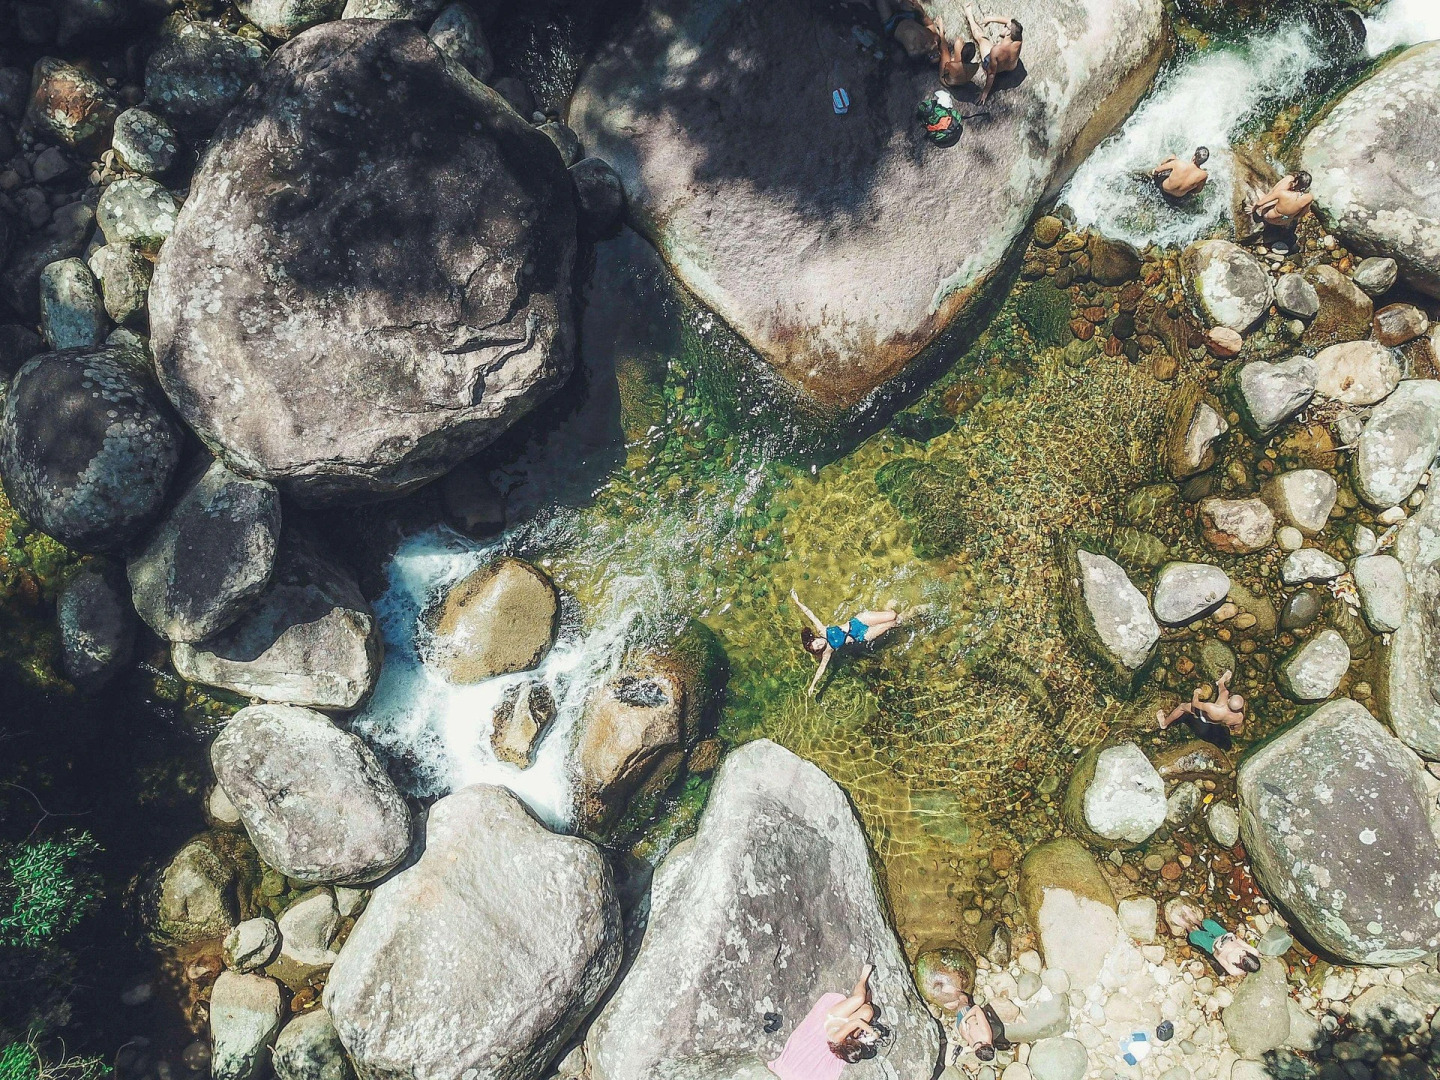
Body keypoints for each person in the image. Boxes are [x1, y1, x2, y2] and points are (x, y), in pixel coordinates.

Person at [768, 964, 887, 1078]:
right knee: (868, 1012)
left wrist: (873, 1032)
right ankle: (865, 1003)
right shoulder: (845, 1042)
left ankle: (863, 978)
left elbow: (856, 1022)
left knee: (859, 999)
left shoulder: (837, 1038)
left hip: (836, 1017)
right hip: (845, 1024)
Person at [792, 589, 907, 696]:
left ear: (815, 638)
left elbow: (811, 615)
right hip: (863, 635)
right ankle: (912, 612)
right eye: (818, 647)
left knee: (892, 615)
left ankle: (887, 608)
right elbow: (821, 669)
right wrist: (813, 685)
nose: (819, 644)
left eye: (816, 642)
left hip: (859, 621)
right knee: (895, 622)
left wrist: (797, 602)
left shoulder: (822, 630)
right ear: (819, 651)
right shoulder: (827, 651)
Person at [1157, 669, 1245, 749]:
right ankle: (1220, 682)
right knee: (1225, 692)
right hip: (1217, 721)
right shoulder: (1239, 717)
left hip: (1204, 716)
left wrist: (1196, 693)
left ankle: (1164, 723)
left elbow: (1195, 704)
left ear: (1229, 700)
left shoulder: (1213, 708)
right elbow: (1235, 728)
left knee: (1182, 707)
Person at [964, 4, 1022, 104]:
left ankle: (970, 17)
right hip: (1011, 67)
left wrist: (985, 92)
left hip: (995, 68)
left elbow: (991, 74)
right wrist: (991, 19)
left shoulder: (996, 50)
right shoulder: (1019, 40)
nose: (1003, 27)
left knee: (980, 37)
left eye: (1005, 27)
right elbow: (1010, 22)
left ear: (1008, 33)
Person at [916, 8, 980, 89]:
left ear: (961, 52)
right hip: (961, 81)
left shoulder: (953, 65)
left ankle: (941, 31)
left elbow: (946, 68)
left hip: (947, 82)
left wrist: (955, 55)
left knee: (944, 51)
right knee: (955, 52)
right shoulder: (975, 66)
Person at [1188, 918, 1262, 977]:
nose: (1242, 955)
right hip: (1224, 935)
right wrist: (1232, 936)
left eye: (1242, 959)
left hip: (1213, 946)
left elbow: (1216, 956)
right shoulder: (1254, 952)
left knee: (1193, 936)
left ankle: (1188, 926)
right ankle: (1197, 922)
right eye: (1246, 955)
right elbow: (1239, 940)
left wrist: (1218, 949)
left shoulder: (1234, 970)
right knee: (1207, 923)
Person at [952, 992, 1010, 1063]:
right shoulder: (985, 1034)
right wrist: (963, 1020)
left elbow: (969, 1041)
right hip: (965, 1016)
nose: (976, 1047)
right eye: (979, 1047)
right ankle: (960, 993)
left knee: (954, 1005)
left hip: (961, 1025)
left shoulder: (977, 1049)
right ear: (986, 1044)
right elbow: (976, 1008)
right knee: (962, 999)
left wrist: (964, 1031)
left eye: (976, 1049)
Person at [876, 0, 941, 60]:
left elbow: (914, 52)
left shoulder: (914, 51)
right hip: (908, 16)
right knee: (908, 3)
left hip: (892, 24)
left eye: (932, 56)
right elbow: (927, 21)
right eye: (937, 54)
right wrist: (919, 9)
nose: (934, 53)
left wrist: (926, 48)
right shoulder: (932, 37)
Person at [1249, 172, 1314, 228]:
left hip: (1269, 218)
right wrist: (1290, 217)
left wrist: (1253, 209)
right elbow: (1301, 214)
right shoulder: (1309, 197)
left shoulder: (1283, 193)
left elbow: (1259, 204)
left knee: (1289, 178)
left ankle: (1266, 196)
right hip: (1284, 221)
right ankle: (1286, 220)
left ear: (1296, 182)